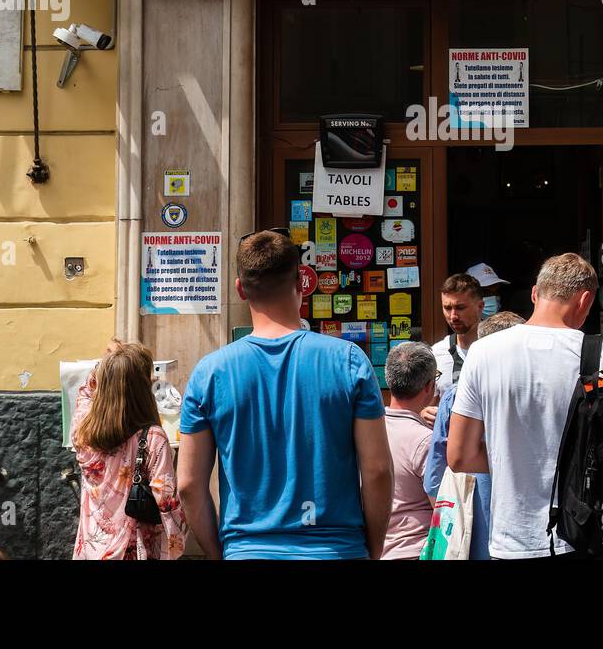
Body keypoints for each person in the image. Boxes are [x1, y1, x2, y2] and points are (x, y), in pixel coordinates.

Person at [177, 229, 393, 559]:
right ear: (302, 285)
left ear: (240, 289)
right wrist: (374, 548)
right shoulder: (349, 362)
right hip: (337, 549)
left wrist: (220, 553)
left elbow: (189, 486)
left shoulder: (210, 374)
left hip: (247, 550)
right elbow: (377, 470)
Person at [449, 253, 603, 559]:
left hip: (510, 538)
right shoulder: (602, 355)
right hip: (582, 535)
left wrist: (513, 461)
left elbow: (458, 456)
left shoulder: (482, 353)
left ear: (535, 293)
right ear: (585, 300)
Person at [71, 339, 187, 560]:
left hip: (89, 552)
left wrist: (109, 363)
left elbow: (86, 392)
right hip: (132, 553)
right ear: (143, 389)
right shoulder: (152, 438)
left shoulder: (83, 432)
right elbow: (168, 504)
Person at [422, 309, 521, 560]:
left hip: (472, 527)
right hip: (525, 533)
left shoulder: (456, 395)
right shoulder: (537, 392)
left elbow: (434, 477)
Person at [381, 342, 438, 560]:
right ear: (428, 386)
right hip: (416, 549)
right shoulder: (426, 441)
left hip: (375, 547)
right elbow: (443, 506)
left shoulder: (367, 432)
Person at [434, 273, 483, 394]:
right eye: (447, 308)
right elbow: (429, 403)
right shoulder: (437, 353)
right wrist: (425, 411)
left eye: (460, 307)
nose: (453, 316)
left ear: (480, 306)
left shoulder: (499, 349)